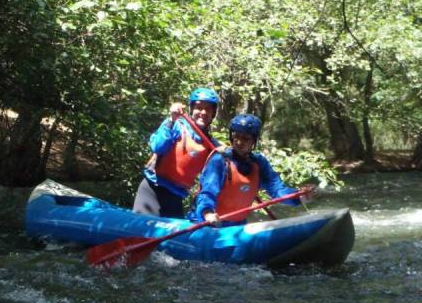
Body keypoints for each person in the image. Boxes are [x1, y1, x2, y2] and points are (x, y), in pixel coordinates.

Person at [191, 113, 312, 225]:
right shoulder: (219, 161)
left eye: (245, 138)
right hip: (208, 223)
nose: (239, 142)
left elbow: (277, 190)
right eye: (236, 136)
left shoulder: (259, 163)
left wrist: (299, 196)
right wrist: (207, 213)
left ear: (254, 140)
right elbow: (207, 192)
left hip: (237, 224)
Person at [132, 87, 221, 218]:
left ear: (213, 113)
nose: (203, 112)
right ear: (191, 109)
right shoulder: (176, 125)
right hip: (153, 189)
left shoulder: (212, 146)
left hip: (175, 196)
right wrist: (171, 120)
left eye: (208, 109)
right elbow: (157, 146)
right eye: (199, 107)